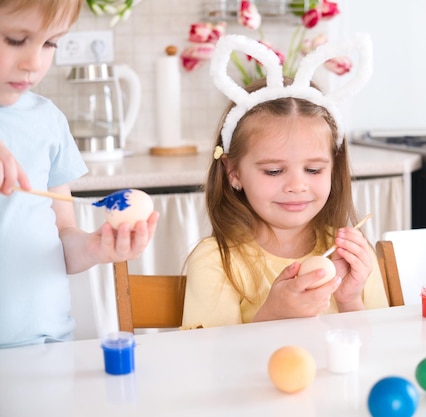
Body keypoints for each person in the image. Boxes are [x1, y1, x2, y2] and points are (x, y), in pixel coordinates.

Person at [182, 34, 388, 329]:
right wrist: (274, 315)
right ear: (234, 173)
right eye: (274, 171)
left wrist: (350, 300)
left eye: (314, 170)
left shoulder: (353, 255)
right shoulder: (216, 262)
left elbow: (379, 353)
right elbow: (213, 366)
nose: (296, 186)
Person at [0, 0, 159, 348]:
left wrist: (92, 247)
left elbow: (61, 236)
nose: (34, 63)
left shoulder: (48, 121)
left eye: (50, 43)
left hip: (45, 346)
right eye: (14, 40)